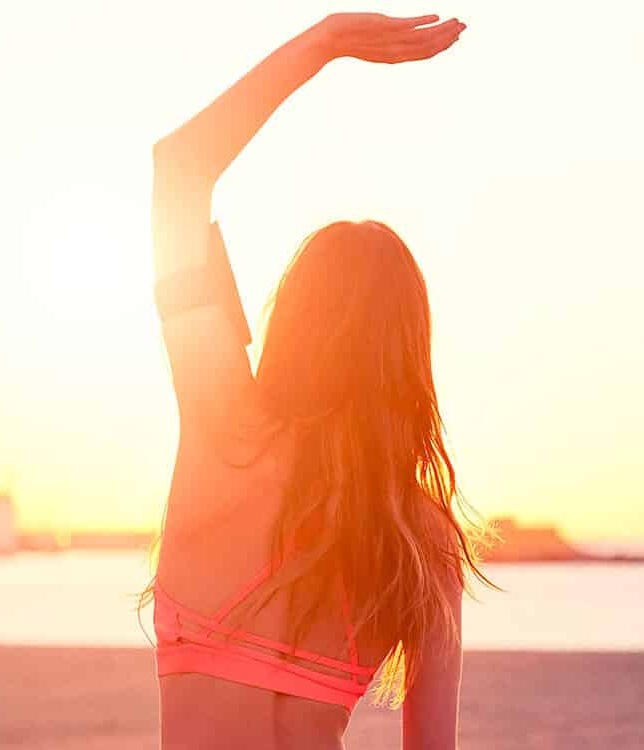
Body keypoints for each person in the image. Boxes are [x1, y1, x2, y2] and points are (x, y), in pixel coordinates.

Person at [144, 12, 492, 749]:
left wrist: (326, 41)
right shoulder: (420, 536)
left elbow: (179, 170)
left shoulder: (223, 431)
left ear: (292, 320)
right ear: (407, 359)